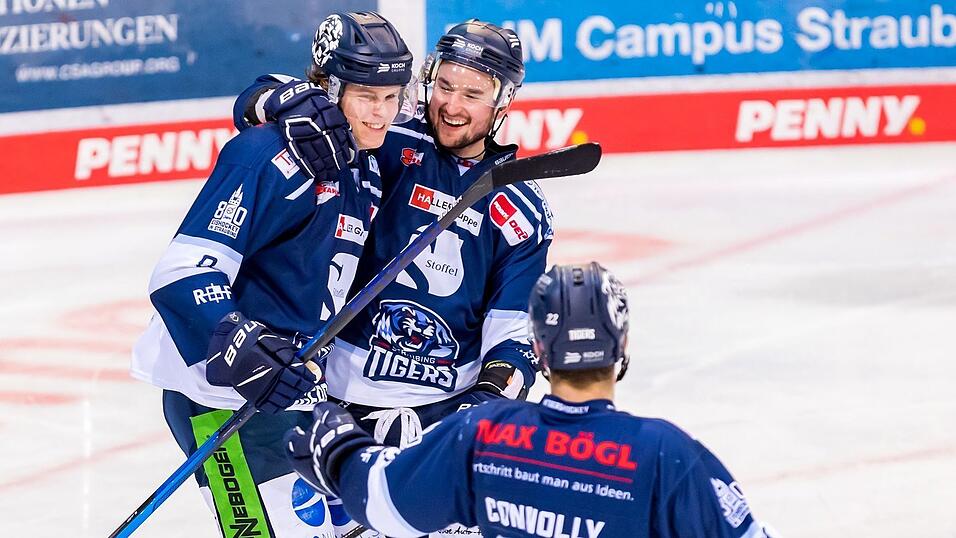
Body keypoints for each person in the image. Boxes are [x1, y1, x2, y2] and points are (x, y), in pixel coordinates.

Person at [130, 11, 414, 537]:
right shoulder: (265, 154)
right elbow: (181, 272)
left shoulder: (368, 161)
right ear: (329, 88)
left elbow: (268, 93)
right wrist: (244, 344)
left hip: (297, 393)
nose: (383, 113)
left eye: (393, 96)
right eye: (368, 97)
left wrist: (264, 94)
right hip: (219, 398)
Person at [285, 262, 778, 538]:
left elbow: (386, 504)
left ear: (539, 349)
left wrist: (338, 447)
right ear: (621, 346)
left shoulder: (485, 433)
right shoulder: (666, 455)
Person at [234, 20, 551, 448]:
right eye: (444, 86)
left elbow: (512, 335)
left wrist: (488, 399)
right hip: (330, 395)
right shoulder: (385, 139)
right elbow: (259, 100)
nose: (452, 106)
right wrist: (279, 102)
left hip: (442, 412)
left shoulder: (521, 212)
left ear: (503, 101)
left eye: (472, 95)